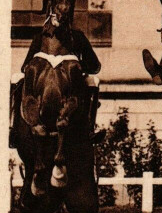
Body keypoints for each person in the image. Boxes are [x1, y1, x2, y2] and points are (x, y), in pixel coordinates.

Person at [10, 17, 103, 148]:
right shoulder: (42, 37)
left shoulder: (76, 37)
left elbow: (95, 66)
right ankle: (14, 129)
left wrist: (79, 66)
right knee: (16, 80)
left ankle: (89, 129)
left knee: (93, 82)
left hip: (68, 85)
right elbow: (25, 66)